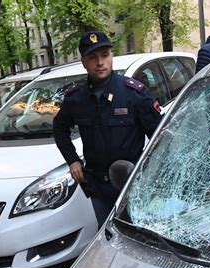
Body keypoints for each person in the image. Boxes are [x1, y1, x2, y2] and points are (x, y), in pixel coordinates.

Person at [53, 31, 163, 228]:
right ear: (83, 62)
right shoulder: (76, 99)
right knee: (108, 236)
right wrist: (73, 161)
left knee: (141, 239)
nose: (100, 62)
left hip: (132, 187)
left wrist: (150, 175)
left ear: (112, 56)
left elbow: (160, 138)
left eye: (104, 55)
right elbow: (59, 128)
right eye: (92, 57)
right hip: (99, 188)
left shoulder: (133, 93)